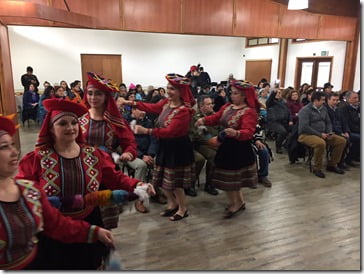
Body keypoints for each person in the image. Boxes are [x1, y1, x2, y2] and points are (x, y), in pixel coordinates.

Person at [16, 98, 154, 269]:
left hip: (89, 223)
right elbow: (23, 195)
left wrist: (137, 185)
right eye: (63, 124)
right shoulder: (37, 159)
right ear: (51, 128)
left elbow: (116, 178)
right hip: (53, 230)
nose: (70, 127)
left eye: (74, 122)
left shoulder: (93, 155)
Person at [0, 114, 114, 270]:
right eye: (4, 147)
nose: (14, 152)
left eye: (13, 145)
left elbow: (56, 224)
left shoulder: (29, 190)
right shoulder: (38, 160)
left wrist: (93, 231)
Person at [119, 73, 196, 221]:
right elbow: (151, 107)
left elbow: (170, 132)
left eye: (173, 89)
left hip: (178, 149)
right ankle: (172, 204)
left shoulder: (184, 111)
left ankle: (182, 208)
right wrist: (130, 103)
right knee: (162, 180)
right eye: (168, 87)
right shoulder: (166, 103)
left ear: (181, 91)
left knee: (176, 183)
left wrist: (146, 131)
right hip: (165, 147)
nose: (169, 91)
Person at [80, 72, 138, 229]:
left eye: (98, 94)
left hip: (107, 171)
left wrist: (128, 153)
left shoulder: (114, 120)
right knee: (85, 210)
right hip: (82, 171)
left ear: (106, 96)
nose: (93, 98)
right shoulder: (79, 117)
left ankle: (105, 242)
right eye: (90, 93)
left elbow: (130, 141)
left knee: (105, 212)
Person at [195, 80, 259, 218]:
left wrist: (236, 133)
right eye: (232, 92)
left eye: (236, 93)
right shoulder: (228, 107)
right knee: (231, 180)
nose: (232, 95)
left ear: (244, 96)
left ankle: (235, 204)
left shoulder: (249, 112)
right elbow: (216, 118)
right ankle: (239, 202)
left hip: (239, 149)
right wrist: (204, 120)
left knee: (232, 180)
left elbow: (249, 131)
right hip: (227, 147)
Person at [298, 92, 346, 178]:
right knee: (320, 143)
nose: (324, 102)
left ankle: (332, 164)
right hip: (306, 135)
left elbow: (328, 122)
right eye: (323, 100)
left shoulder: (323, 109)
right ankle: (317, 168)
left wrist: (329, 132)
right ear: (316, 100)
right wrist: (320, 134)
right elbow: (305, 127)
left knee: (341, 141)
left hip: (323, 133)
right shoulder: (305, 110)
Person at [190, 95, 220, 196]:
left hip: (213, 143)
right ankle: (190, 185)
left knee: (217, 154)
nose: (211, 106)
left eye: (212, 103)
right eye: (208, 104)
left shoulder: (215, 116)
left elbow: (220, 130)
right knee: (205, 157)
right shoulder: (196, 118)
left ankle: (211, 184)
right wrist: (212, 141)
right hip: (198, 144)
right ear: (201, 106)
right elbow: (198, 136)